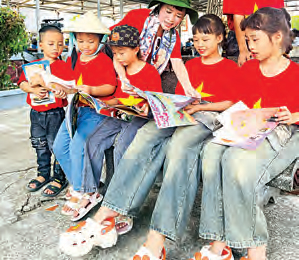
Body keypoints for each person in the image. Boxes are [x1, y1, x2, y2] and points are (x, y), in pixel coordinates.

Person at [58, 14, 240, 259]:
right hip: (180, 113)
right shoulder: (190, 66)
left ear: (220, 38)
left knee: (178, 147)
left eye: (205, 39)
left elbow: (230, 102)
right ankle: (109, 212)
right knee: (143, 135)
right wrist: (163, 106)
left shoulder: (230, 67)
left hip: (206, 117)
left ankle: (157, 237)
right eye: (195, 39)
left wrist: (199, 107)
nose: (199, 44)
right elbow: (176, 97)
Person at [190, 7, 299, 260]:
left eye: (255, 39)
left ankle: (254, 249)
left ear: (277, 38)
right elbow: (238, 105)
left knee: (235, 163)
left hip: (283, 132)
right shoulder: (249, 70)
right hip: (248, 129)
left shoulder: (295, 73)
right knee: (211, 151)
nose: (250, 46)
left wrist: (295, 115)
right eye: (247, 40)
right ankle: (219, 240)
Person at [71, 25, 163, 222]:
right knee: (93, 140)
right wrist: (102, 104)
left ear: (136, 49)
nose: (118, 58)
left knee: (123, 146)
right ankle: (90, 191)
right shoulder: (121, 72)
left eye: (122, 53)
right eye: (115, 54)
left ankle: (122, 202)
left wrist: (145, 105)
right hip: (119, 115)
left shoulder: (149, 72)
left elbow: (156, 102)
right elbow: (117, 99)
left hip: (140, 118)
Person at [53, 12, 117, 214]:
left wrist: (91, 90)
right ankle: (83, 184)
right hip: (76, 110)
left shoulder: (104, 60)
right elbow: (73, 84)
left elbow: (110, 86)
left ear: (100, 41)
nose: (85, 45)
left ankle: (85, 192)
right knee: (59, 146)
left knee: (78, 145)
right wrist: (63, 89)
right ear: (74, 40)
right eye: (81, 41)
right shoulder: (76, 58)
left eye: (91, 41)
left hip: (95, 111)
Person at [110, 0, 200, 97]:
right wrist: (123, 78)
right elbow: (116, 48)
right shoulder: (137, 17)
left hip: (147, 82)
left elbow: (177, 62)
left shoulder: (173, 36)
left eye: (178, 16)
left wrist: (188, 88)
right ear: (160, 6)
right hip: (121, 75)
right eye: (168, 11)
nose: (171, 19)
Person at [18, 25, 73, 197]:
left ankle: (59, 177)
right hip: (36, 114)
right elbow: (22, 83)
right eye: (51, 44)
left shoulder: (64, 67)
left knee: (57, 146)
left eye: (60, 44)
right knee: (39, 145)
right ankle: (43, 174)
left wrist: (64, 91)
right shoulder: (33, 67)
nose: (56, 48)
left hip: (55, 114)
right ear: (40, 45)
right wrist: (32, 89)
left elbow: (70, 88)